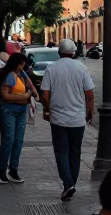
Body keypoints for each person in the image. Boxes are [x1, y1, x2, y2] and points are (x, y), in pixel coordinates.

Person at [40, 37, 95, 201]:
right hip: (78, 119)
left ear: (59, 52)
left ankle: (68, 183)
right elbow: (90, 93)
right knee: (75, 152)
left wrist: (46, 108)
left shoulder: (51, 69)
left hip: (58, 119)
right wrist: (89, 111)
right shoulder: (81, 68)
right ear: (73, 53)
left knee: (61, 151)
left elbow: (44, 94)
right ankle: (72, 183)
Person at [0, 52, 34, 183]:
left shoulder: (22, 74)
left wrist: (33, 95)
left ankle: (13, 170)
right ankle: (2, 170)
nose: (25, 65)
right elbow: (5, 95)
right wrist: (23, 97)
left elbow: (32, 87)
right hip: (8, 110)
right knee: (9, 140)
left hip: (21, 110)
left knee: (18, 141)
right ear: (19, 63)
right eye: (23, 63)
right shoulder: (10, 75)